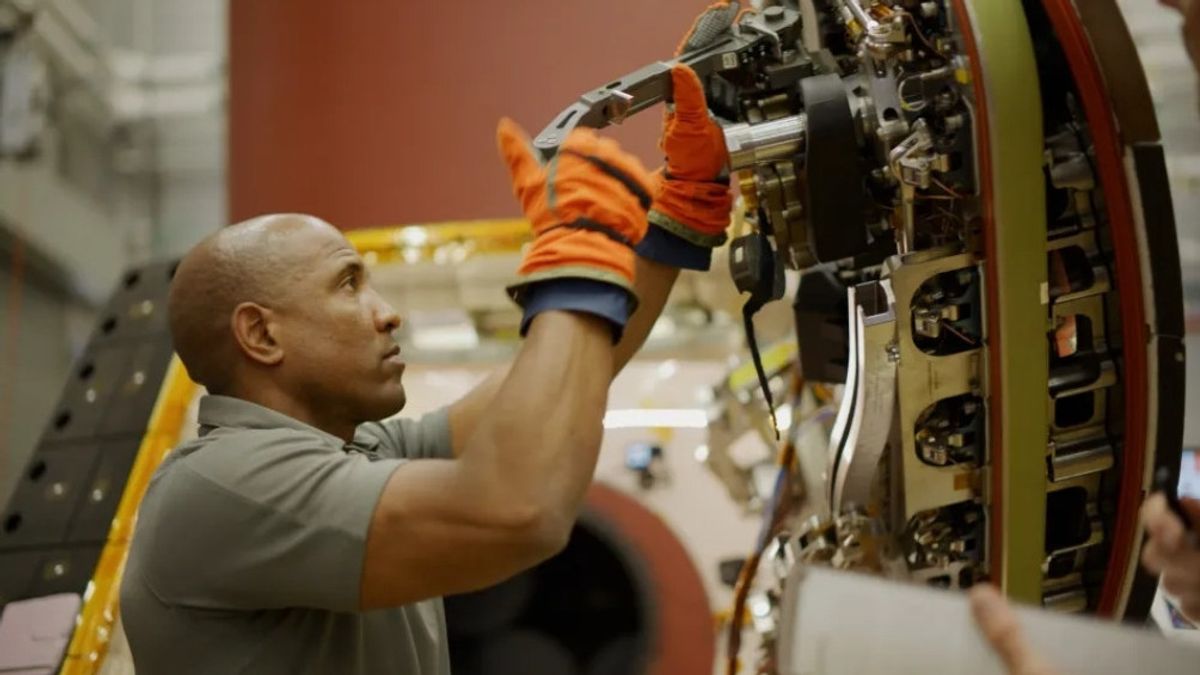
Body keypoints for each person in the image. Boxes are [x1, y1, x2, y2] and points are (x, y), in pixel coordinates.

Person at [117, 61, 732, 675]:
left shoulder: (356, 451)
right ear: (261, 334)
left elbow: (537, 397)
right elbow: (519, 511)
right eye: (348, 285)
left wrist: (671, 221)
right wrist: (576, 262)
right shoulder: (224, 485)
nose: (387, 315)